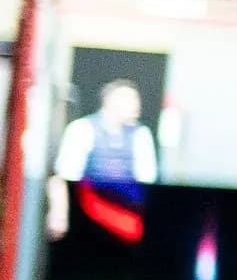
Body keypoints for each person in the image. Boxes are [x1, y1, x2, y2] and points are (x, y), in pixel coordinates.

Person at [46, 77, 157, 246]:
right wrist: (59, 214)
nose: (136, 106)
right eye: (129, 99)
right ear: (110, 101)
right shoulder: (82, 129)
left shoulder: (141, 135)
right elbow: (63, 176)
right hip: (89, 211)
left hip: (127, 215)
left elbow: (148, 179)